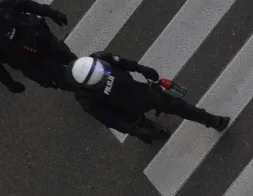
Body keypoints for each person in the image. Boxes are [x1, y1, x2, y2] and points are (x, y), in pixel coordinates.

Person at [68, 52, 230, 142]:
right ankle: (151, 129)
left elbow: (122, 62)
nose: (104, 76)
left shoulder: (99, 58)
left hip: (140, 92)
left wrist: (140, 68)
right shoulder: (85, 98)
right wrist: (135, 131)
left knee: (177, 105)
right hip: (126, 112)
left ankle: (212, 120)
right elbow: (109, 119)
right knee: (146, 130)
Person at [0, 0, 75, 93]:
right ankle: (78, 88)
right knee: (61, 77)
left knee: (68, 57)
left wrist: (52, 13)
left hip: (42, 39)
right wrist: (10, 84)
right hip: (32, 62)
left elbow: (27, 5)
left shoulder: (2, 3)